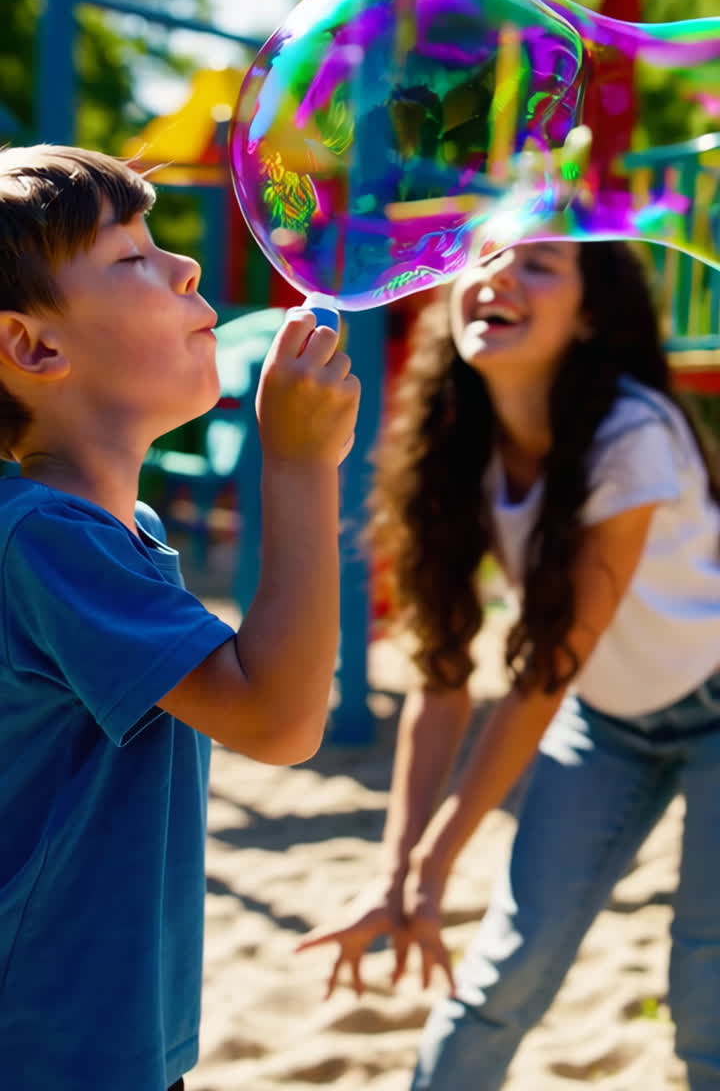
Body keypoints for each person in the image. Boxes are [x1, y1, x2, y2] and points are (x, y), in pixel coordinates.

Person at [299, 234, 720, 1090]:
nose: (497, 275)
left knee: (705, 986)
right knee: (504, 971)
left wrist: (436, 863)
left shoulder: (633, 428)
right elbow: (442, 677)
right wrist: (398, 873)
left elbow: (546, 668)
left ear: (590, 311)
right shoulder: (455, 440)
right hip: (607, 723)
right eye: (484, 258)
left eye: (539, 264)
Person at [0, 144, 360, 1091]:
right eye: (132, 259)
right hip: (50, 1048)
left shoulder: (116, 529)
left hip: (109, 1036)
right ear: (34, 348)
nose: (187, 266)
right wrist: (296, 466)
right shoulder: (43, 540)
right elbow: (279, 719)